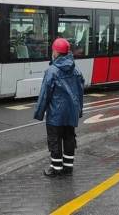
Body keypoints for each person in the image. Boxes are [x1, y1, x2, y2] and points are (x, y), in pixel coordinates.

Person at [34, 38, 84, 178]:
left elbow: (45, 94)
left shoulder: (52, 71)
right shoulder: (76, 70)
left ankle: (56, 168)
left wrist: (39, 112)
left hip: (56, 114)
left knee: (54, 140)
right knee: (69, 138)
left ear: (55, 52)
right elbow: (80, 92)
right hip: (71, 113)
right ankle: (68, 167)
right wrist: (79, 110)